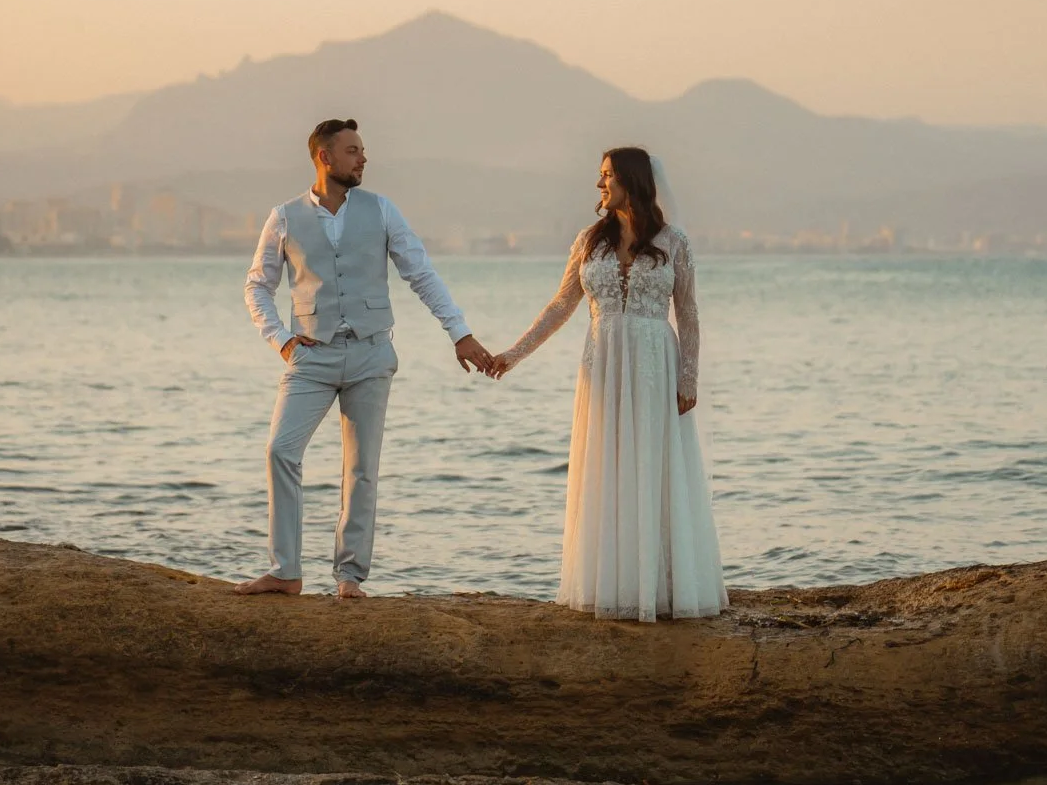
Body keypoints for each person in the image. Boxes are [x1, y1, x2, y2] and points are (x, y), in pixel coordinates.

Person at [238, 118, 495, 599]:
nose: (363, 159)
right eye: (353, 151)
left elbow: (421, 274)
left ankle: (349, 577)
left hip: (372, 353)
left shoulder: (381, 211)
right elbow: (257, 284)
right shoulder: (284, 217)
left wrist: (460, 333)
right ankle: (286, 570)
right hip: (310, 357)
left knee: (361, 469)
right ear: (325, 157)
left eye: (363, 151)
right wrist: (281, 339)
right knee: (280, 451)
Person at [487, 147, 727, 621]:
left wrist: (689, 377)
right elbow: (560, 306)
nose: (599, 185)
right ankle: (613, 584)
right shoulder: (588, 242)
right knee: (608, 467)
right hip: (602, 365)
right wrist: (511, 355)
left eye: (607, 176)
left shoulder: (673, 242)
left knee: (654, 467)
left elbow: (690, 313)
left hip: (656, 363)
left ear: (631, 181)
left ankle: (663, 587)